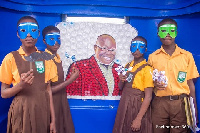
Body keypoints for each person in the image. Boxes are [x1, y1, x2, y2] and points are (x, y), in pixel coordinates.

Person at [0, 16, 57, 133]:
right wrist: (20, 86)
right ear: (17, 34)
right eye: (23, 30)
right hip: (21, 112)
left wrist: (53, 120)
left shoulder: (46, 58)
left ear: (39, 33)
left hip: (42, 110)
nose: (29, 35)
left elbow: (48, 90)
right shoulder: (10, 58)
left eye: (33, 30)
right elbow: (4, 93)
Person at [148, 18, 199, 133]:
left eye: (171, 30)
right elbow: (148, 82)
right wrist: (154, 84)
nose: (167, 34)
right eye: (163, 30)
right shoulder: (153, 57)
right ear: (158, 33)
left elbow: (190, 83)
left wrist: (193, 109)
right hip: (159, 103)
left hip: (180, 104)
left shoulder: (187, 56)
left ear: (176, 32)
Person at [112, 36, 154, 133]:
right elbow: (120, 87)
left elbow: (148, 97)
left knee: (135, 128)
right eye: (134, 46)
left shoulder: (147, 69)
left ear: (145, 49)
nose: (137, 50)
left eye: (141, 47)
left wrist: (138, 119)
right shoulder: (127, 66)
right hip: (125, 102)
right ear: (130, 48)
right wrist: (121, 80)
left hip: (137, 105)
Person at [42, 25, 79, 133]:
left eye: (58, 38)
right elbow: (47, 90)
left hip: (61, 100)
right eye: (52, 39)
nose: (56, 42)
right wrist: (71, 80)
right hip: (51, 103)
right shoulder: (45, 59)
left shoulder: (56, 57)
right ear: (44, 41)